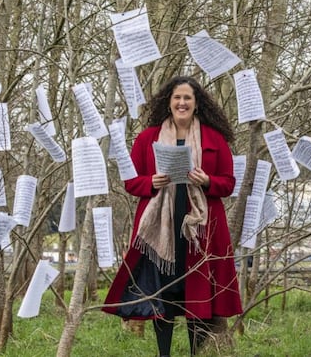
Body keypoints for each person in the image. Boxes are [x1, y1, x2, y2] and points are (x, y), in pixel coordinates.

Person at [103, 76, 242, 356]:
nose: (182, 103)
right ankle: (163, 353)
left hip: (200, 229)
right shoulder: (147, 138)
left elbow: (228, 184)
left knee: (198, 294)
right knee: (163, 293)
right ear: (169, 102)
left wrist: (207, 181)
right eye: (177, 97)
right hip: (160, 229)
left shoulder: (214, 138)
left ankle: (195, 353)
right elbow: (130, 182)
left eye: (187, 98)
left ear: (196, 103)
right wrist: (150, 182)